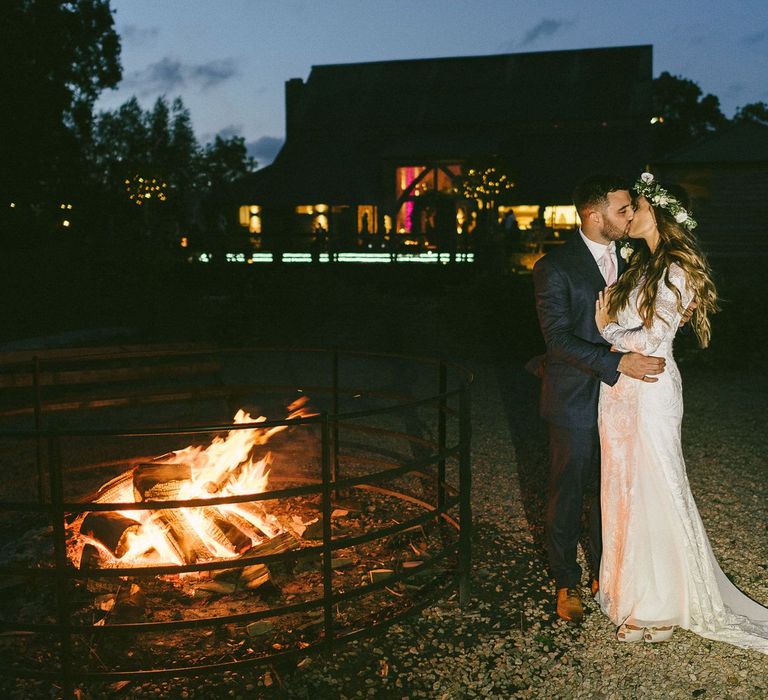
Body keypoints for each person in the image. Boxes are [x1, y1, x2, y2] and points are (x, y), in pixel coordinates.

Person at [594, 173, 768, 650]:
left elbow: (651, 340)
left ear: (660, 214)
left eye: (637, 208)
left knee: (655, 486)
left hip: (650, 386)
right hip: (620, 390)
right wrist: (612, 332)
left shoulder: (676, 267)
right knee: (624, 482)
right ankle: (628, 587)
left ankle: (661, 600)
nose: (628, 215)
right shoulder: (642, 266)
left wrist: (606, 329)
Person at [532, 175, 666, 623]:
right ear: (594, 215)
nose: (630, 216)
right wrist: (617, 363)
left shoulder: (633, 260)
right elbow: (557, 340)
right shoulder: (555, 267)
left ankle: (606, 569)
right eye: (622, 210)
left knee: (612, 488)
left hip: (625, 402)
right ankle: (565, 579)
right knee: (568, 491)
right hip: (573, 397)